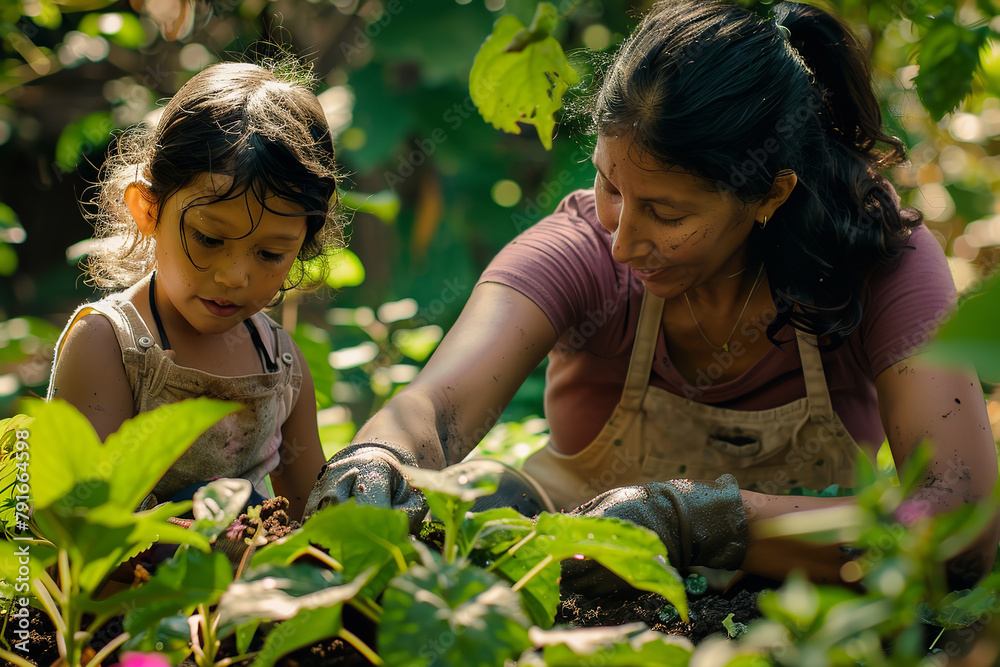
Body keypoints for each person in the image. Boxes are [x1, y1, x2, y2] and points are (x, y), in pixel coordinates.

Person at [306, 0, 999, 588]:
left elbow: (960, 513)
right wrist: (379, 460)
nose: (622, 241)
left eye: (666, 213)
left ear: (769, 193)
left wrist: (700, 518)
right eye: (610, 185)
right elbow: (437, 407)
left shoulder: (876, 261)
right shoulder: (583, 249)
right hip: (568, 599)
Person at [47, 60, 340, 522]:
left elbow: (311, 520)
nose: (234, 276)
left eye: (269, 254)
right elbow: (82, 528)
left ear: (303, 246)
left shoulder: (280, 366)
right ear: (148, 209)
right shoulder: (110, 346)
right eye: (209, 238)